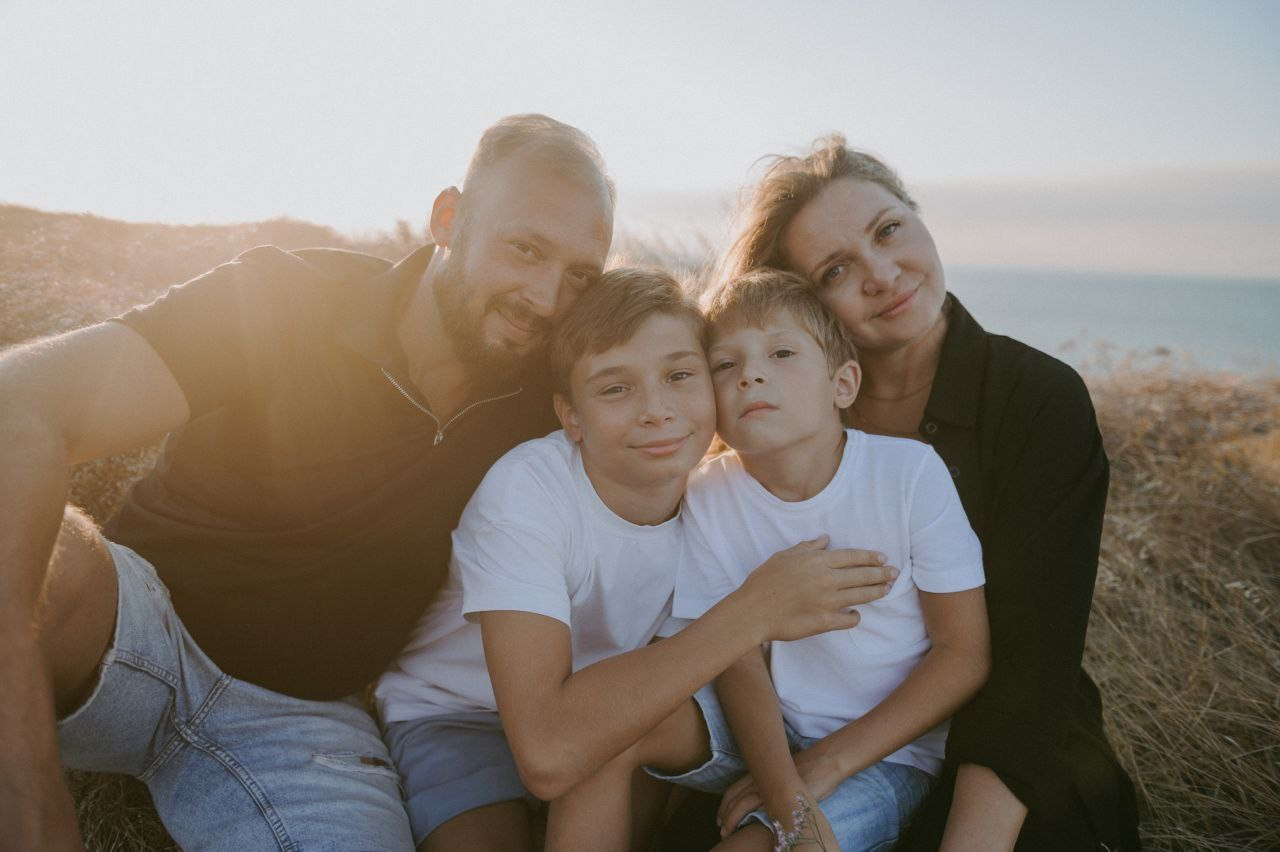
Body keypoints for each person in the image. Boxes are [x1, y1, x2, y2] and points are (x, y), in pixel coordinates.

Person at [0, 113, 619, 850]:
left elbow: (687, 409)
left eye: (580, 276)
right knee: (45, 546)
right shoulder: (286, 296)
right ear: (449, 220)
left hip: (305, 727)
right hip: (132, 622)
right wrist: (28, 789)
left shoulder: (552, 396)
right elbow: (19, 402)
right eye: (526, 249)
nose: (546, 299)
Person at [376, 268, 900, 851]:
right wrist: (754, 611)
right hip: (460, 715)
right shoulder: (529, 492)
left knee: (616, 754)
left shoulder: (715, 498)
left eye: (679, 375)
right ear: (570, 415)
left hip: (617, 709)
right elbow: (547, 754)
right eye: (614, 389)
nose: (656, 410)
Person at [718, 135, 1142, 851]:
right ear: (802, 303)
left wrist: (827, 771)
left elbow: (1033, 661)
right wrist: (793, 775)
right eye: (835, 270)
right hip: (809, 722)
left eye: (888, 230)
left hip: (1003, 731)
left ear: (918, 216)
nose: (882, 275)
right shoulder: (788, 417)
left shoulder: (1037, 397)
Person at [554, 269, 991, 851]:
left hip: (885, 755)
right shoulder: (708, 492)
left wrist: (820, 772)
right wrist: (783, 786)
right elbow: (736, 658)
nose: (750, 374)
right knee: (607, 733)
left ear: (842, 383)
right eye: (725, 364)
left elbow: (963, 654)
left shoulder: (908, 476)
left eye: (781, 353)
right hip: (762, 731)